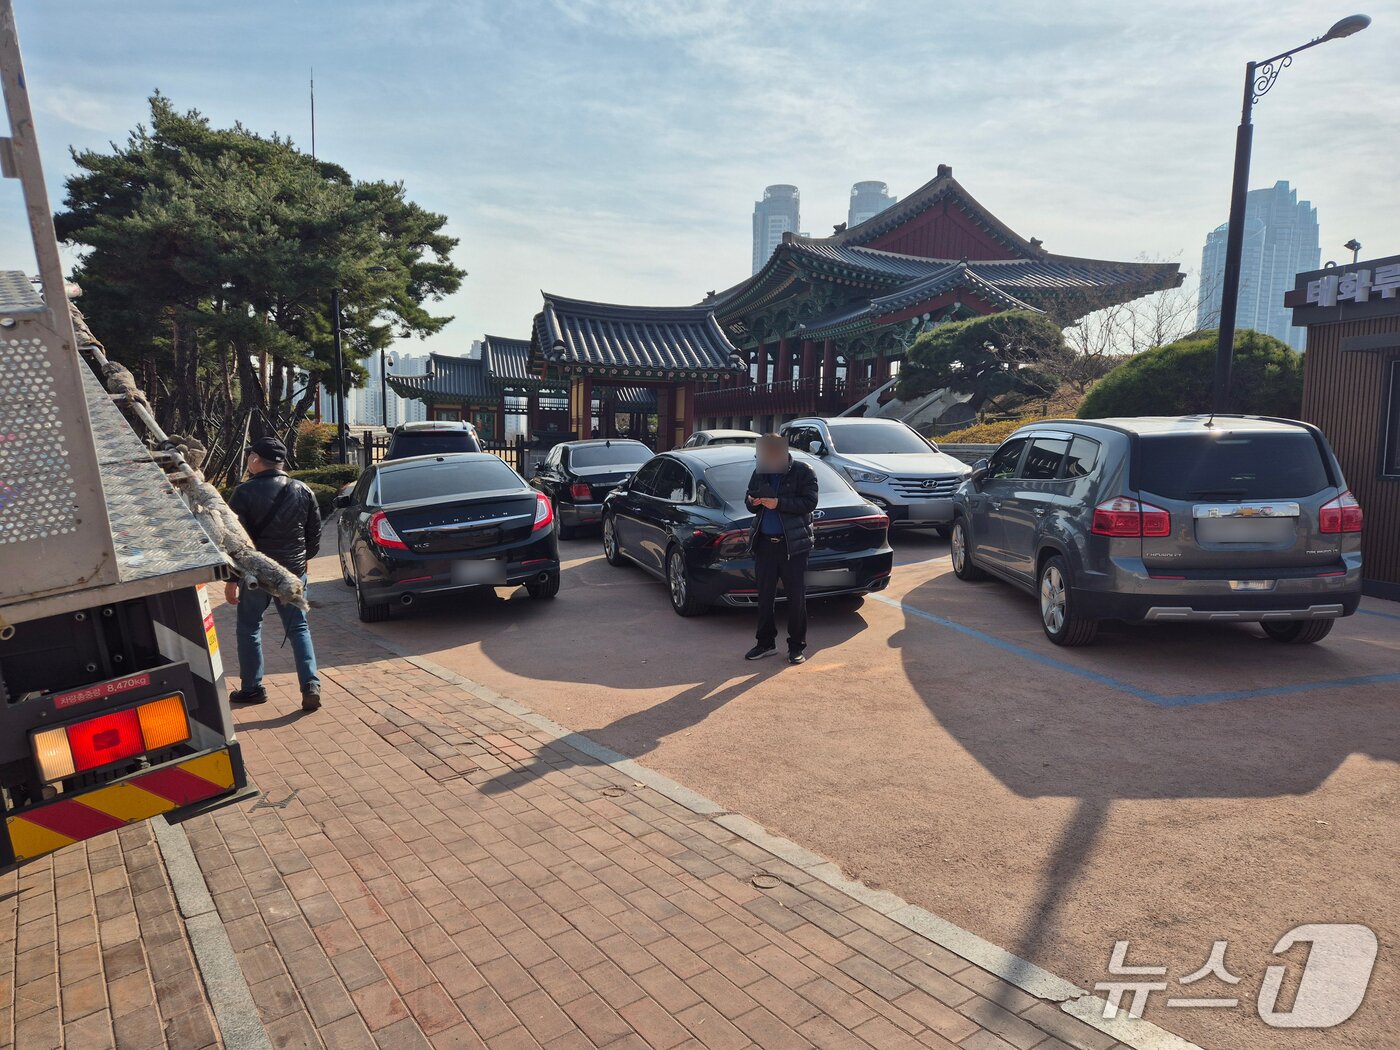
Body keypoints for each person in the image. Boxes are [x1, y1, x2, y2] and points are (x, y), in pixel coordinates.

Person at [224, 437, 323, 711]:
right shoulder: (303, 490)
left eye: (249, 456)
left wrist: (232, 580)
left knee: (249, 628)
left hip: (256, 577)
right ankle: (311, 685)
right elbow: (313, 536)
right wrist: (300, 565)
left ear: (256, 459)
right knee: (299, 628)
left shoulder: (243, 493)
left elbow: (233, 542)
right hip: (292, 574)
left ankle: (252, 688)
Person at [744, 433, 820, 664]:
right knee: (765, 597)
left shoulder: (803, 471)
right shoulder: (760, 472)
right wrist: (752, 502)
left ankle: (797, 646)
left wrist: (779, 504)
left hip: (792, 546)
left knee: (796, 598)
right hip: (764, 544)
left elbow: (809, 503)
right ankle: (765, 643)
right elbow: (748, 503)